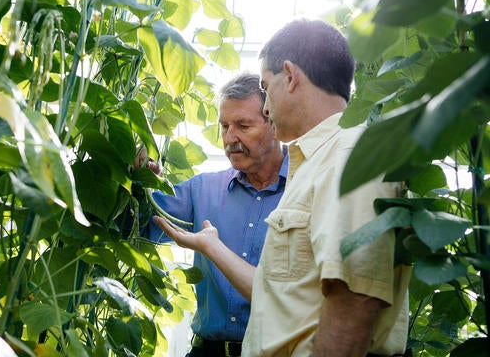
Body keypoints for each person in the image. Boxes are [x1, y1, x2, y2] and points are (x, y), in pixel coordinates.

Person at [154, 19, 412, 357]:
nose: (265, 105)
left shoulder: (349, 156)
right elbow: (286, 293)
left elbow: (355, 299)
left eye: (266, 85)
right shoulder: (315, 163)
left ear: (289, 76)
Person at [139, 73, 288, 357]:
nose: (230, 138)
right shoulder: (202, 190)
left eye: (243, 125)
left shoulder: (307, 188)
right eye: (224, 126)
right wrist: (139, 181)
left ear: (274, 123)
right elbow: (136, 225)